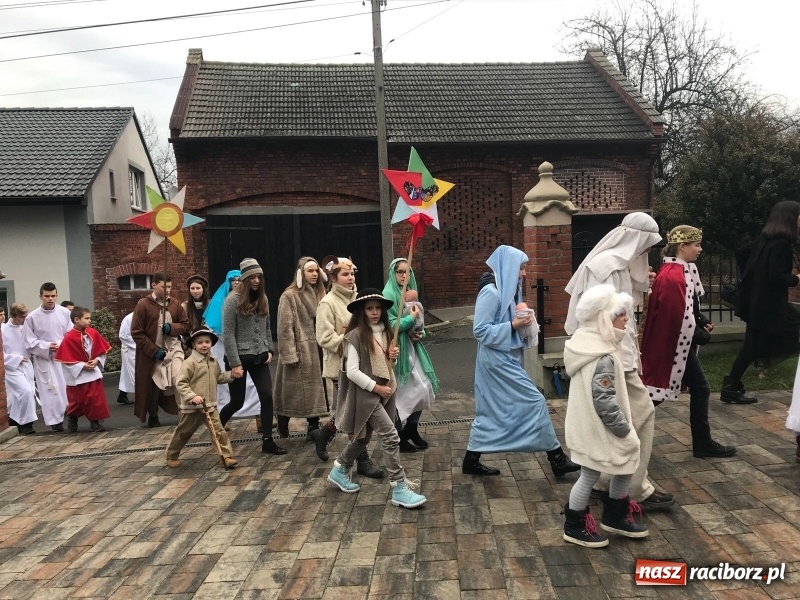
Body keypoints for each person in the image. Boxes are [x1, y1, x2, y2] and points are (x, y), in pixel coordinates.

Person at [565, 212, 674, 511]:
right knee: (640, 415)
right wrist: (619, 361)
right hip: (612, 358)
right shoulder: (606, 267)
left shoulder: (617, 265)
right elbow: (603, 318)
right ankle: (633, 488)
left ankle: (608, 482)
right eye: (645, 245)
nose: (645, 253)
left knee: (626, 418)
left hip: (617, 356)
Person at [463, 245, 579, 477]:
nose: (525, 273)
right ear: (508, 267)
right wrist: (514, 325)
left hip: (505, 359)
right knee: (535, 400)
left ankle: (471, 460)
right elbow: (480, 331)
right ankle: (556, 458)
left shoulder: (509, 290)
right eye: (522, 268)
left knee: (491, 409)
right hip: (496, 362)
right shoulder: (492, 292)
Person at [640, 225, 736, 458]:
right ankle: (623, 431)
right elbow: (675, 315)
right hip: (672, 343)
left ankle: (701, 442)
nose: (700, 249)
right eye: (696, 245)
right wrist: (700, 334)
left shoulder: (679, 270)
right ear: (682, 246)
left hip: (675, 341)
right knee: (671, 390)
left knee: (663, 392)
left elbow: (689, 306)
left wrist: (700, 320)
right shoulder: (674, 275)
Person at [326, 288, 427, 509]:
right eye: (370, 308)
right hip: (366, 396)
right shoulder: (354, 337)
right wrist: (377, 388)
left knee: (362, 438)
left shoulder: (385, 332)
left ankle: (340, 468)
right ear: (361, 311)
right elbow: (352, 371)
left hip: (383, 391)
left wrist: (390, 356)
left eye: (378, 308)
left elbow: (381, 360)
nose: (374, 312)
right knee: (391, 436)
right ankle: (399, 487)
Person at [563, 285, 647, 547]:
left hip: (587, 425)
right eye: (621, 314)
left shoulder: (586, 344)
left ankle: (615, 514)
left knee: (623, 464)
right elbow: (605, 400)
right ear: (605, 318)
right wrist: (624, 430)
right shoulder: (603, 356)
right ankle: (575, 524)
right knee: (591, 473)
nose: (626, 319)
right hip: (602, 426)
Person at [311, 256, 383, 477]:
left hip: (363, 365)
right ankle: (362, 459)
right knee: (355, 413)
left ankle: (324, 432)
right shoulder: (328, 303)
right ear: (333, 277)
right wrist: (349, 342)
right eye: (345, 274)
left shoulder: (359, 299)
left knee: (349, 410)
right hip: (341, 367)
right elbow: (324, 337)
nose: (350, 278)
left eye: (352, 273)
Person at [722, 200, 800, 404]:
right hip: (769, 306)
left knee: (752, 346)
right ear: (791, 218)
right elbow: (777, 277)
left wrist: (753, 279)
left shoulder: (766, 239)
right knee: (754, 345)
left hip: (758, 303)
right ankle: (730, 386)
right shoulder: (781, 244)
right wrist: (796, 279)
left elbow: (741, 254)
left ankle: (730, 386)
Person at [221, 258, 286, 455]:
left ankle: (267, 440)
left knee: (267, 396)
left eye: (259, 276)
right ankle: (217, 427)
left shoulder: (262, 299)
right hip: (238, 359)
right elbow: (228, 334)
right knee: (237, 402)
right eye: (252, 277)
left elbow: (266, 328)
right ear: (244, 279)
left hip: (259, 357)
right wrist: (235, 364)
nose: (257, 280)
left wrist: (269, 349)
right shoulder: (232, 300)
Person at [382, 258, 438, 453]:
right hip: (397, 351)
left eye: (408, 272)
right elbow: (389, 325)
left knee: (423, 388)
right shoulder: (388, 294)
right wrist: (410, 318)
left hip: (413, 348)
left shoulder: (411, 291)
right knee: (399, 394)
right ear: (393, 273)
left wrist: (420, 332)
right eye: (400, 272)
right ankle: (398, 435)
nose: (405, 276)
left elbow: (420, 322)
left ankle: (411, 429)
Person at [166, 326, 237, 469]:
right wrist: (192, 396)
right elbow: (181, 383)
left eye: (207, 342)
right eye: (200, 343)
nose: (204, 345)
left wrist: (231, 375)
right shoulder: (190, 363)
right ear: (193, 345)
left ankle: (226, 456)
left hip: (209, 404)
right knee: (184, 432)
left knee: (218, 431)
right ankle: (171, 454)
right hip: (193, 406)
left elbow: (218, 377)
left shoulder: (212, 361)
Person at [273, 257, 329, 438]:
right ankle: (283, 418)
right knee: (293, 392)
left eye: (315, 271)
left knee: (315, 390)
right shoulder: (289, 296)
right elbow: (284, 327)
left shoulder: (322, 293)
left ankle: (313, 426)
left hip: (318, 348)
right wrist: (289, 353)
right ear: (301, 274)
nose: (313, 274)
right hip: (300, 348)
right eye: (309, 271)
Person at [131, 272, 189, 427]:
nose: (168, 290)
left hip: (174, 350)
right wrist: (153, 350)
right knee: (155, 386)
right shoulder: (144, 305)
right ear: (154, 285)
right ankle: (153, 414)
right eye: (164, 286)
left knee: (179, 380)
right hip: (153, 353)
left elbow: (185, 325)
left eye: (170, 286)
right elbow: (136, 332)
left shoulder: (175, 304)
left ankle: (184, 413)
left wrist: (172, 328)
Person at [54, 307, 112, 432]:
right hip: (77, 376)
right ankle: (72, 417)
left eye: (89, 318)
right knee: (77, 401)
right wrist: (82, 366)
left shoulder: (93, 333)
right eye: (86, 318)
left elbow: (102, 351)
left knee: (95, 399)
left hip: (93, 372)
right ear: (76, 319)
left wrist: (97, 360)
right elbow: (66, 360)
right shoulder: (68, 338)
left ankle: (95, 422)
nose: (89, 321)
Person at [23, 282, 71, 432]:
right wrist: (47, 346)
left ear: (57, 296)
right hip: (44, 359)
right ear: (40, 296)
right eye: (46, 296)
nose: (50, 299)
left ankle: (69, 414)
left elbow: (70, 334)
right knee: (49, 390)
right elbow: (28, 341)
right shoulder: (32, 317)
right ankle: (55, 422)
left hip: (62, 356)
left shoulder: (65, 312)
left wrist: (59, 343)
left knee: (65, 387)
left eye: (53, 296)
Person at [2, 303, 38, 434]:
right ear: (14, 315)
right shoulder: (3, 330)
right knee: (26, 391)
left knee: (22, 395)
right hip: (12, 368)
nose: (24, 319)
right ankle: (26, 424)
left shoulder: (26, 328)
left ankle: (14, 420)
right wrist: (16, 358)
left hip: (27, 365)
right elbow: (1, 354)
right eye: (22, 317)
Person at [181, 275, 210, 350]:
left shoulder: (211, 305)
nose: (195, 291)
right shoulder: (184, 307)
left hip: (207, 345)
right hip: (190, 347)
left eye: (198, 288)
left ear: (203, 289)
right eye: (192, 288)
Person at [117, 312, 135, 405]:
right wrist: (139, 343)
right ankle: (142, 397)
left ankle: (122, 395)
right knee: (135, 373)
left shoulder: (145, 316)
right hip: (131, 349)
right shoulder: (129, 318)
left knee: (127, 374)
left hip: (141, 348)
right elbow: (123, 335)